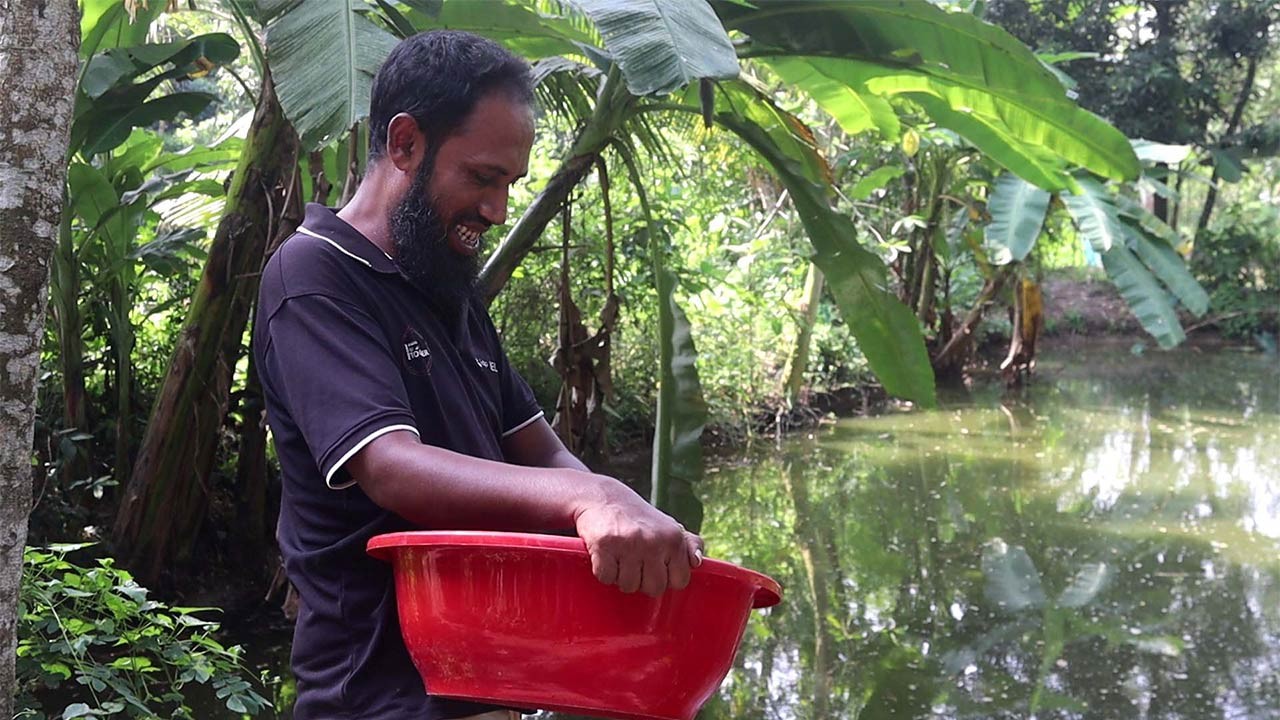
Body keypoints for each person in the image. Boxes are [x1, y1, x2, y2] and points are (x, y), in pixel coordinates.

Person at [253, 30, 703, 720]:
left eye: (509, 185)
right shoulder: (315, 276)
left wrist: (631, 515)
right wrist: (589, 497)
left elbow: (539, 450)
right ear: (406, 143)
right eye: (482, 178)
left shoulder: (446, 290)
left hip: (487, 686)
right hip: (378, 699)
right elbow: (391, 466)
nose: (497, 210)